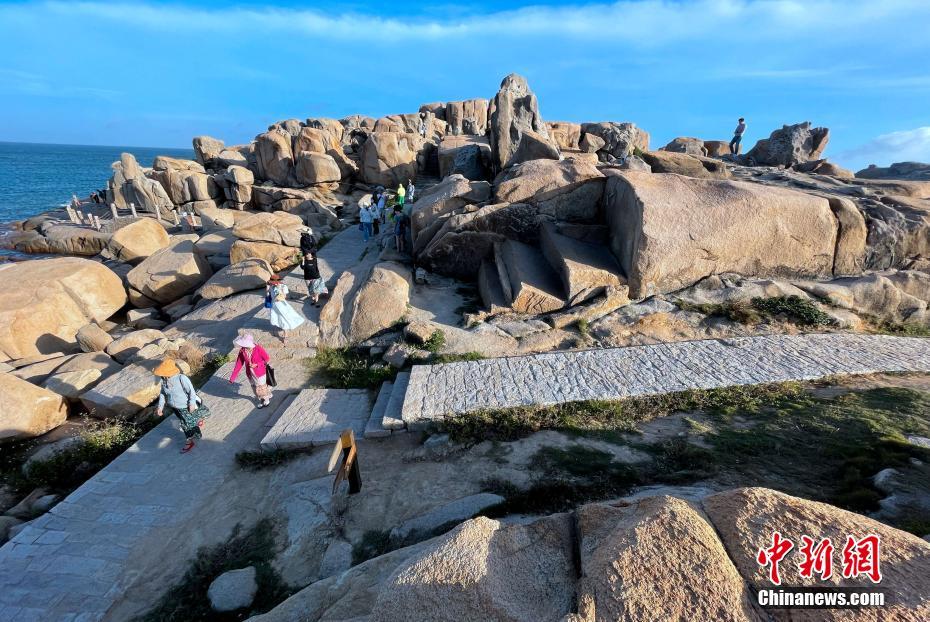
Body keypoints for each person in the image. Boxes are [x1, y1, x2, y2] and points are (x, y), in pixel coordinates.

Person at [154, 358, 210, 453]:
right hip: (175, 408)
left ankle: (189, 441)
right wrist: (160, 407)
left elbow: (191, 391)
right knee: (187, 420)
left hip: (186, 406)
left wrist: (192, 404)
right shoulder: (164, 380)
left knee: (185, 424)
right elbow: (163, 394)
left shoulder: (181, 378)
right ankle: (197, 423)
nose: (161, 374)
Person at [229, 334, 273, 408]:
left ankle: (266, 399)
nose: (243, 346)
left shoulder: (258, 348)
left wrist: (257, 364)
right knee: (255, 387)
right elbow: (238, 364)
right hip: (250, 373)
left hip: (260, 372)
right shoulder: (242, 351)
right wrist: (232, 377)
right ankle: (261, 399)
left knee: (261, 387)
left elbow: (267, 358)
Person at [267, 275, 305, 345]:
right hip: (274, 306)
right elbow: (268, 294)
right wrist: (268, 288)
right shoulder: (271, 287)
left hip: (282, 305)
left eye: (273, 282)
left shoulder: (283, 287)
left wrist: (279, 291)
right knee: (279, 318)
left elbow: (284, 296)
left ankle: (285, 336)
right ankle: (283, 329)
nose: (272, 283)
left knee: (284, 320)